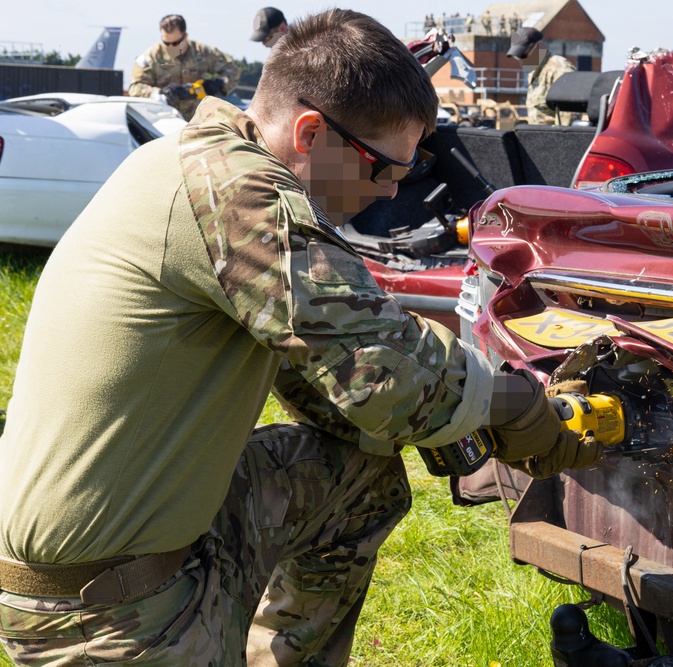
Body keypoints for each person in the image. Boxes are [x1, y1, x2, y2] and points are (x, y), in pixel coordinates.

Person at [0, 8, 600, 666]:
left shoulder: (199, 162)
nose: (388, 191)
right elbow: (388, 376)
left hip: (113, 556)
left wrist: (452, 417)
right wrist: (520, 407)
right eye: (383, 169)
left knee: (359, 479)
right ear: (312, 132)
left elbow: (329, 383)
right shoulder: (242, 199)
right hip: (101, 615)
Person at [129, 14, 240, 121]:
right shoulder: (151, 57)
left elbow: (233, 70)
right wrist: (160, 93)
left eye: (176, 43)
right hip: (162, 120)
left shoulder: (203, 52)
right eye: (166, 43)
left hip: (198, 120)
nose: (171, 47)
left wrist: (218, 84)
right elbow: (135, 87)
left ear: (185, 36)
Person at [507, 26, 576, 125]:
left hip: (554, 138)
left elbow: (568, 116)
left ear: (538, 47)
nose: (520, 61)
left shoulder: (559, 68)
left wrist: (561, 139)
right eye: (517, 57)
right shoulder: (534, 73)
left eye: (523, 55)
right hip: (538, 137)